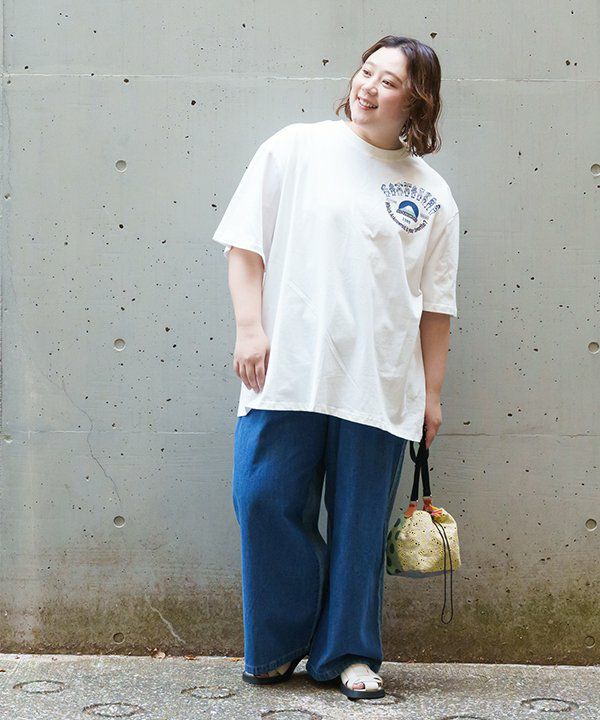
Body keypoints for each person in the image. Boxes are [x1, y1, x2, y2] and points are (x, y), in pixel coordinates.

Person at [212, 35, 460, 700]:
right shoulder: (295, 149)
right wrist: (249, 328)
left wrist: (432, 394)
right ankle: (277, 645)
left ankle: (348, 654)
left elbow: (436, 308)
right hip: (285, 372)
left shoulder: (432, 195)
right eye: (366, 71)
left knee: (358, 526)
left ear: (417, 101)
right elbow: (244, 245)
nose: (368, 86)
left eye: (389, 81)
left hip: (379, 384)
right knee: (262, 501)